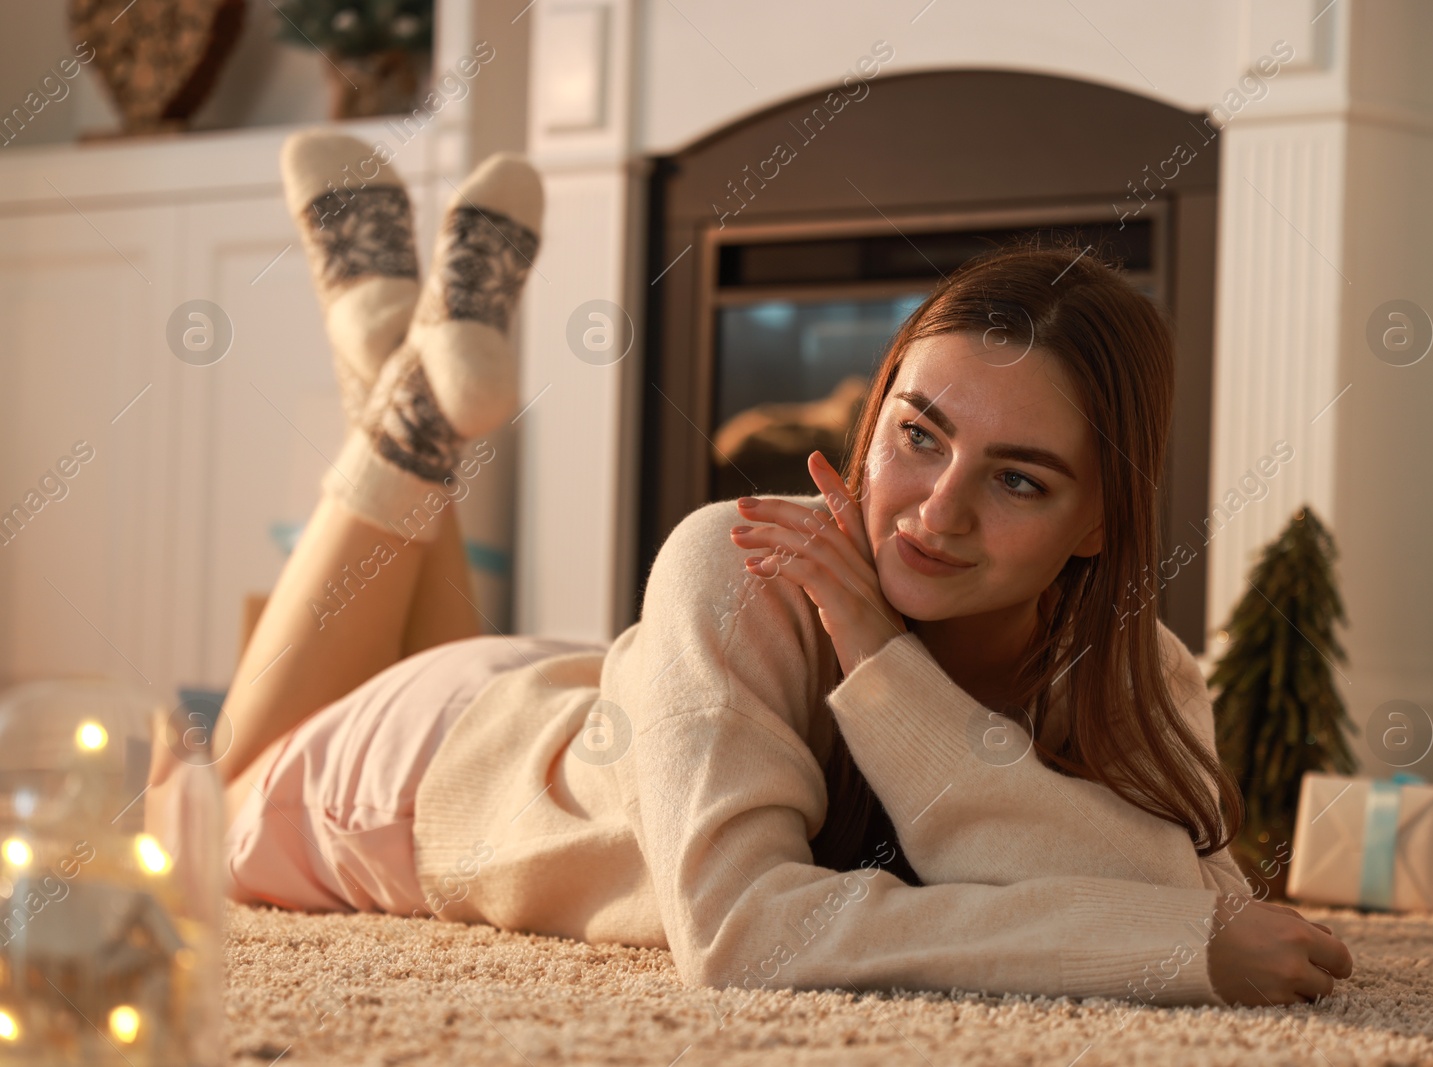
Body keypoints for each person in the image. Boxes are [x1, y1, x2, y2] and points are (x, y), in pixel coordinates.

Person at [148, 130, 1354, 1011]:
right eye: (917, 434)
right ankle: (406, 388)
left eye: (1019, 478)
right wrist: (1164, 954)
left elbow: (1170, 884)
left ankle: (404, 365)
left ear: (1101, 520)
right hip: (431, 768)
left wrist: (884, 667)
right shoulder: (733, 557)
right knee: (195, 802)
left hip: (598, 702)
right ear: (871, 411)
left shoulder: (1141, 673)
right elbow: (744, 933)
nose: (936, 512)